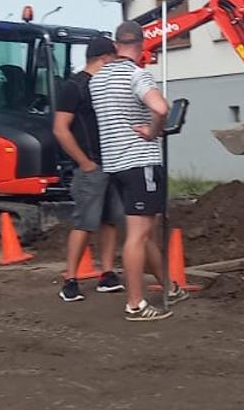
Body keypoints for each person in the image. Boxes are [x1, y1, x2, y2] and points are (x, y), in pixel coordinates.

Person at [91, 21, 185, 321]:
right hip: (140, 161)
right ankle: (135, 304)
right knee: (138, 235)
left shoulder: (97, 80)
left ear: (116, 45)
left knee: (145, 235)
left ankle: (169, 287)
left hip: (115, 164)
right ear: (142, 44)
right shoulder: (137, 75)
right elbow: (161, 108)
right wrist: (153, 131)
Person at [51, 36, 126, 302]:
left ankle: (107, 274)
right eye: (114, 60)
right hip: (90, 167)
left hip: (111, 163)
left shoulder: (103, 87)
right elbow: (60, 128)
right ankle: (70, 280)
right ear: (105, 58)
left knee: (109, 220)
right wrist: (84, 162)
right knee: (85, 223)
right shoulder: (74, 87)